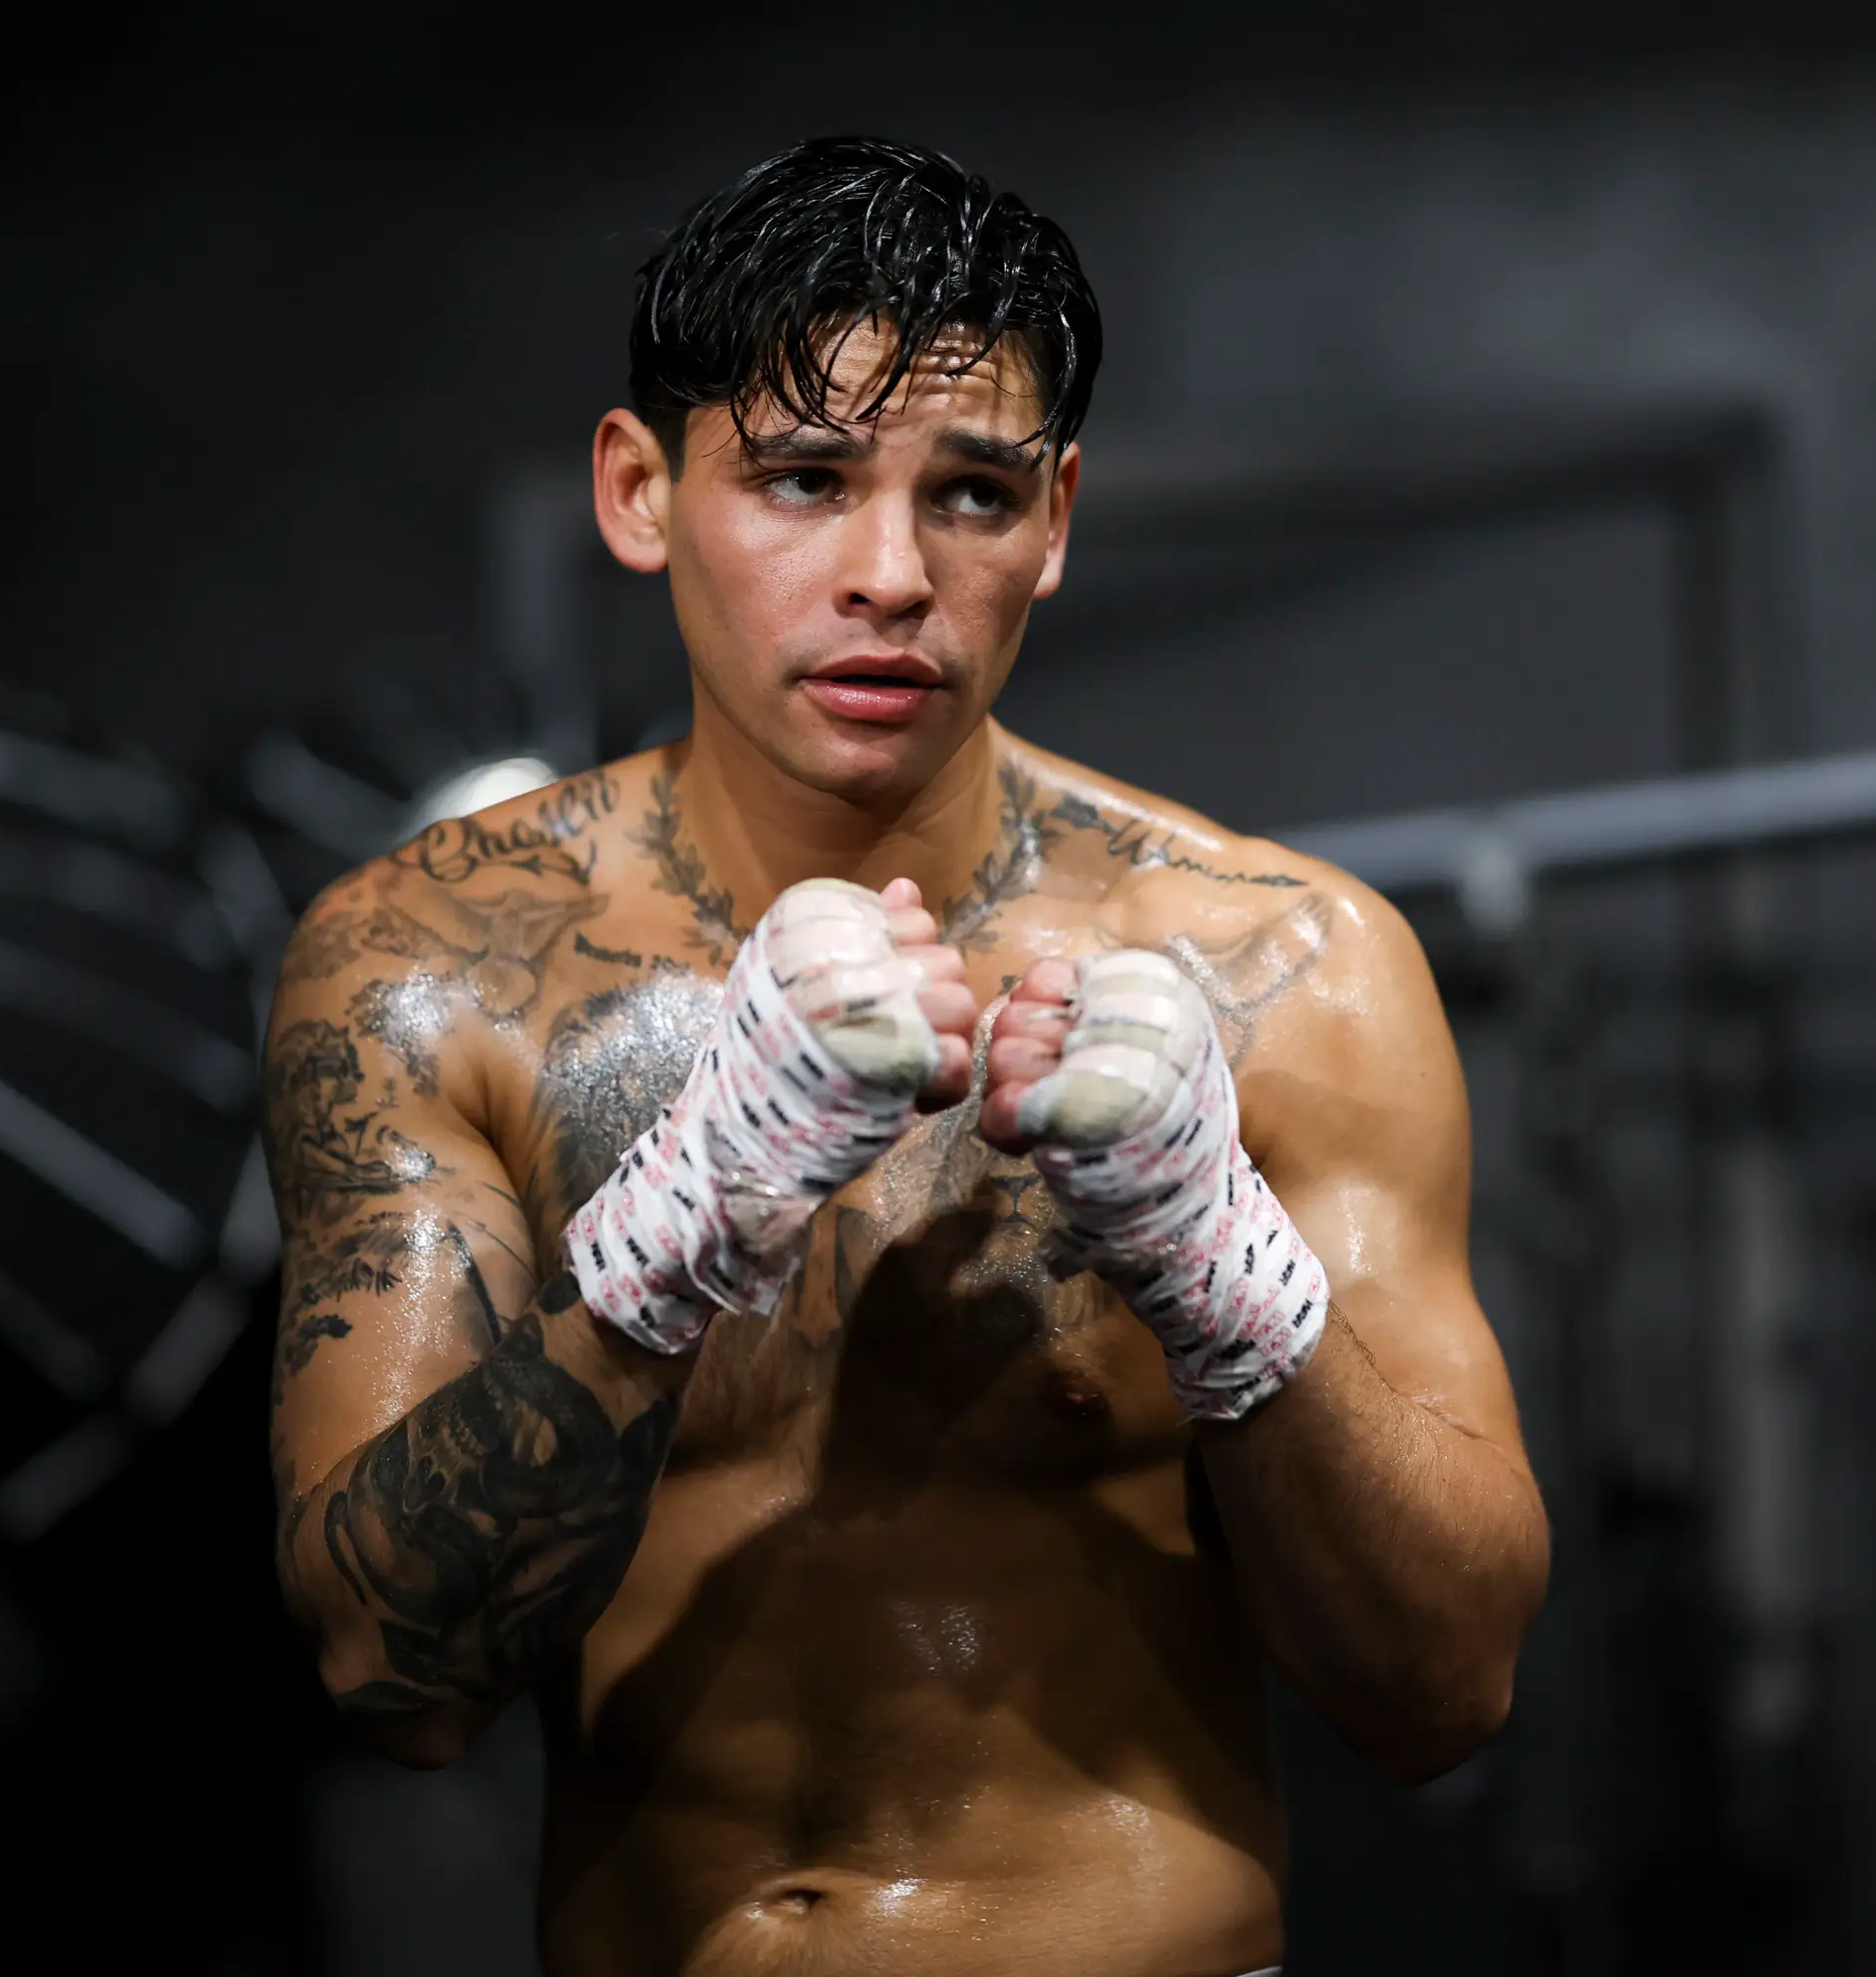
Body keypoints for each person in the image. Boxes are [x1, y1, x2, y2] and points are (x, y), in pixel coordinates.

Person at [265, 135, 1549, 1977]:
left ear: (1061, 518)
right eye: (800, 479)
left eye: (970, 492)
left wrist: (1215, 1262)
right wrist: (675, 1235)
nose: (889, 574)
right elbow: (390, 1675)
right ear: (638, 490)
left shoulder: (1289, 971)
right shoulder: (429, 972)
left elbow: (1446, 1688)